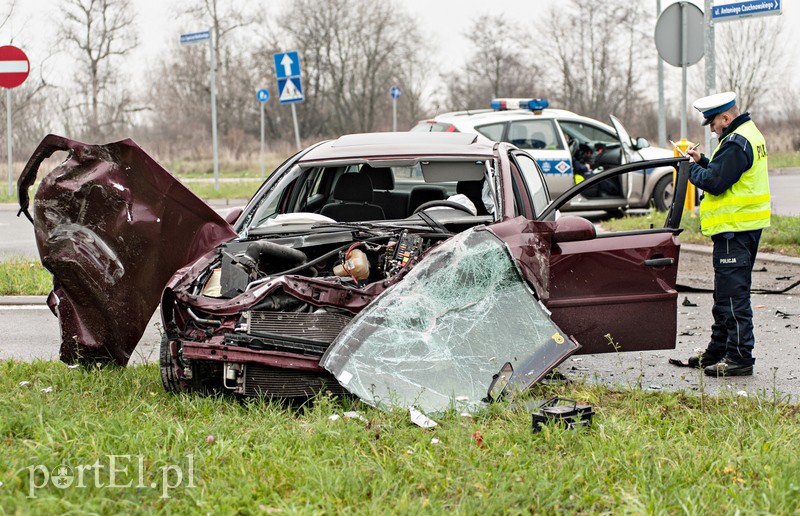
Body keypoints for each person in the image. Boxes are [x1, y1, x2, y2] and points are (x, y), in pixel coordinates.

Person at [681, 91, 771, 377]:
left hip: (735, 231)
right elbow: (728, 173)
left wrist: (691, 169)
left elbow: (716, 183)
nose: (711, 129)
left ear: (726, 118)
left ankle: (739, 357)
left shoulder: (735, 142)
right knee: (724, 296)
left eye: (713, 123)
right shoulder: (747, 134)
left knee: (733, 298)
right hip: (741, 229)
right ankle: (718, 351)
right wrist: (704, 160)